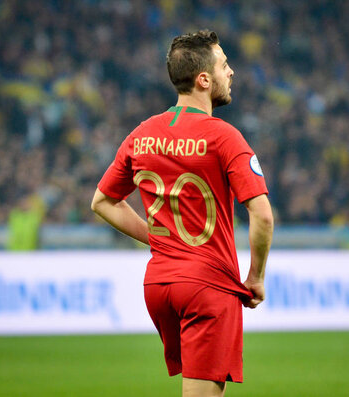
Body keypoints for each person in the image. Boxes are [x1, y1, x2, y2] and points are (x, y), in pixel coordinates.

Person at [91, 30, 273, 397]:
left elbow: (102, 201)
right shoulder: (223, 137)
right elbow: (262, 215)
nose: (232, 72)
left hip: (159, 286)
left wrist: (158, 237)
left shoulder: (141, 134)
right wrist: (255, 276)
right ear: (203, 79)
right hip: (207, 285)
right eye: (224, 65)